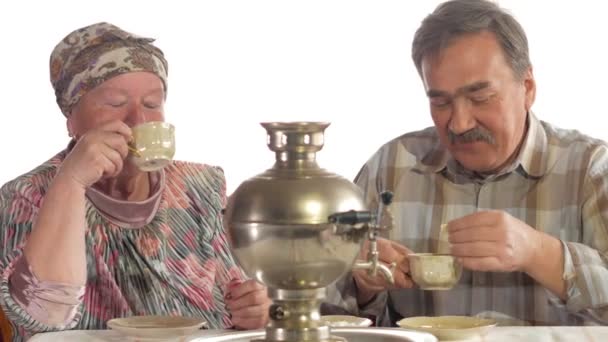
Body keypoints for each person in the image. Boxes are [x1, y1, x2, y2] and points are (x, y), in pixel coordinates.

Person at [327, 0, 608, 326]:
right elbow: (323, 308)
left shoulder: (591, 169)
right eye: (441, 101)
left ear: (527, 88)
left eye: (480, 98)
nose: (459, 123)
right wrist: (364, 285)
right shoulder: (390, 168)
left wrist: (538, 252)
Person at [0, 22, 270, 341]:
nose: (138, 120)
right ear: (71, 118)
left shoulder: (200, 185)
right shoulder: (26, 195)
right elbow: (42, 315)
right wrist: (70, 182)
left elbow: (232, 300)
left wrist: (257, 308)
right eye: (115, 103)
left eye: (152, 104)